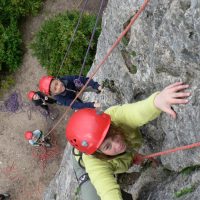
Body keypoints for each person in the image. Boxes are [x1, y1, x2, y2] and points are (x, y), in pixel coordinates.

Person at [65, 82, 190, 200]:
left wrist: (157, 101)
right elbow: (108, 191)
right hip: (82, 164)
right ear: (99, 152)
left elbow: (136, 112)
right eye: (108, 147)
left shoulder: (114, 117)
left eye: (114, 135)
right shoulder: (94, 162)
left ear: (111, 125)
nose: (117, 144)